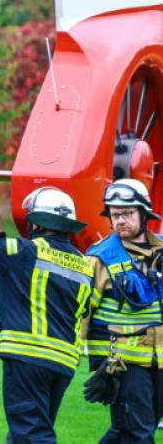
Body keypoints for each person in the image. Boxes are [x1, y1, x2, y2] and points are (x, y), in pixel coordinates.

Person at [0, 179, 91, 443]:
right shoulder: (85, 265)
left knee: (32, 435)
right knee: (26, 432)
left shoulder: (26, 251)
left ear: (38, 223)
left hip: (29, 358)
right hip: (62, 365)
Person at [84, 178, 163, 443]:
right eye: (115, 215)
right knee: (138, 434)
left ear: (143, 214)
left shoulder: (161, 251)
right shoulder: (99, 257)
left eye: (127, 214)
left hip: (160, 360)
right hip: (122, 364)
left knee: (134, 429)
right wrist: (84, 362)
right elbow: (81, 312)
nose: (120, 221)